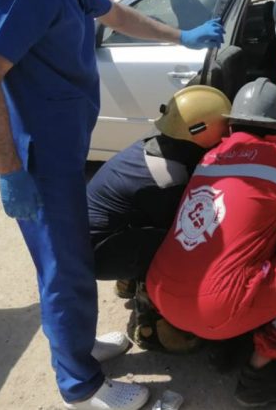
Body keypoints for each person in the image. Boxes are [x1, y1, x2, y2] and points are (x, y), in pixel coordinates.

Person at [0, 0, 225, 408]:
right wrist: (8, 171)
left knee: (72, 261)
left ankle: (78, 347)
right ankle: (81, 387)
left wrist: (181, 36)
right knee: (63, 271)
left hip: (63, 152)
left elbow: (118, 16)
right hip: (38, 162)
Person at [146, 78, 276, 407]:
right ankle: (263, 371)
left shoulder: (210, 156)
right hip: (216, 308)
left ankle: (225, 343)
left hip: (162, 293)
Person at [87, 85, 231, 352]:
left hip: (98, 234)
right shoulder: (166, 178)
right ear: (201, 131)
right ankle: (150, 325)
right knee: (180, 246)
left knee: (154, 232)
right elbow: (178, 230)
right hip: (96, 254)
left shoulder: (157, 140)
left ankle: (128, 280)